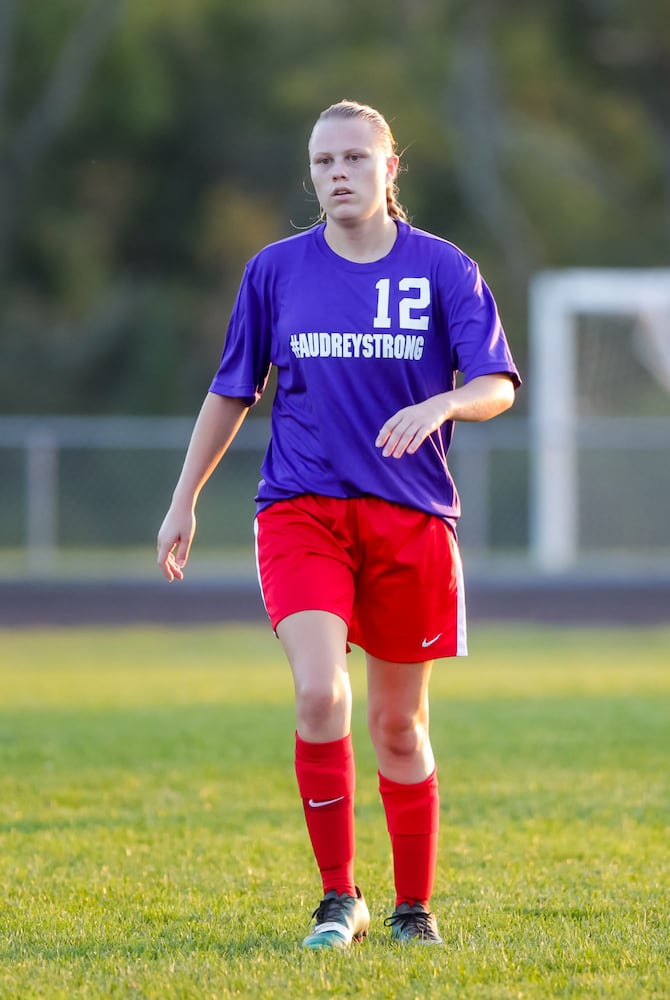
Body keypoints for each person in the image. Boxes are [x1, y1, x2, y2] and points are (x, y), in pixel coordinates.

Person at [157, 99, 521, 949]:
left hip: (411, 520)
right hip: (302, 510)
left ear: (391, 169)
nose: (339, 175)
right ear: (311, 173)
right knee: (321, 693)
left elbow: (498, 382)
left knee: (399, 725)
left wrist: (444, 402)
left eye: (357, 158)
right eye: (324, 162)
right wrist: (184, 499)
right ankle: (337, 898)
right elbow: (233, 390)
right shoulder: (276, 271)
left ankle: (413, 909)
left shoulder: (443, 269)